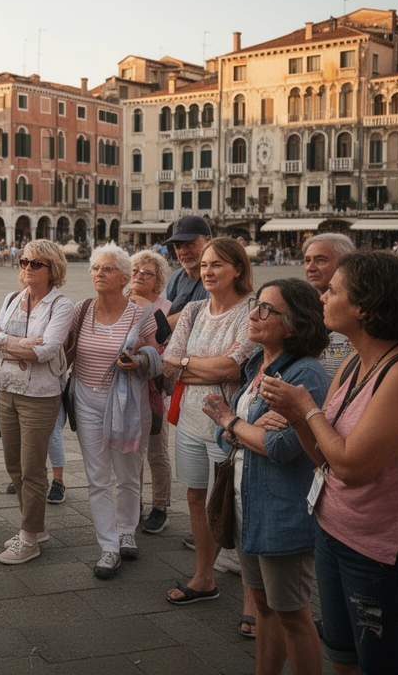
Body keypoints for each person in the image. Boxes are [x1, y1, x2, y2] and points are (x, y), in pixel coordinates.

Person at [262, 251, 398, 674]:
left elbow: (352, 468)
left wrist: (305, 407)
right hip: (333, 530)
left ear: (363, 307)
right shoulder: (354, 362)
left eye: (333, 291)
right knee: (341, 653)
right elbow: (323, 456)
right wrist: (297, 416)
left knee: (381, 663)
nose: (322, 296)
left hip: (380, 551)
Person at [202, 279, 330, 675]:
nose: (253, 314)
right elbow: (233, 440)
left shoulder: (305, 374)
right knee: (262, 609)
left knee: (292, 613)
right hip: (248, 504)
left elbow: (281, 447)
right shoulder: (259, 366)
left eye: (265, 309)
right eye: (255, 305)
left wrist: (230, 419)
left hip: (282, 511)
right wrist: (242, 428)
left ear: (292, 324)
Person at [163, 237, 257, 605]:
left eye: (217, 264)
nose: (207, 271)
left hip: (229, 425)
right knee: (195, 497)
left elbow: (234, 366)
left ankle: (253, 599)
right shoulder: (193, 310)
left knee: (236, 504)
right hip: (189, 419)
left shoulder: (252, 311)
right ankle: (204, 577)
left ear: (238, 269)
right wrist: (199, 369)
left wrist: (188, 365)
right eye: (204, 265)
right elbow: (170, 365)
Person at [68, 244, 161, 579]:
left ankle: (126, 531)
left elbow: (156, 352)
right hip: (86, 399)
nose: (99, 274)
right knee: (97, 476)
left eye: (107, 269)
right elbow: (66, 351)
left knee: (127, 472)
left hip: (128, 403)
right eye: (95, 268)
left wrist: (140, 359)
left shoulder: (141, 313)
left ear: (124, 277)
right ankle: (108, 546)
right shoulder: (81, 310)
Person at [0, 239, 76, 564]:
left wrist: (5, 342)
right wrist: (17, 342)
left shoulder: (61, 305)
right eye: (24, 262)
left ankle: (29, 539)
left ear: (52, 268)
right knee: (13, 465)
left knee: (32, 468)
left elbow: (46, 350)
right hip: (6, 389)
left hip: (40, 396)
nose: (27, 267)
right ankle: (34, 527)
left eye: (35, 263)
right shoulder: (13, 298)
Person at [128, 249, 173, 535]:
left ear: (158, 281)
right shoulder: (121, 303)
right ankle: (135, 503)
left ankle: (160, 506)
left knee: (157, 452)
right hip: (128, 390)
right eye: (135, 271)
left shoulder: (165, 308)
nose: (140, 276)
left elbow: (163, 345)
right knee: (132, 451)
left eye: (147, 273)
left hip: (154, 390)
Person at [301, 233, 356, 378]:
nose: (310, 268)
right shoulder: (303, 311)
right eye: (307, 261)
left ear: (345, 264)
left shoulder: (357, 314)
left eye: (320, 260)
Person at [163, 215, 213, 328]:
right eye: (178, 246)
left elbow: (209, 316)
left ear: (208, 240)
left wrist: (162, 325)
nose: (183, 252)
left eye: (189, 244)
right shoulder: (175, 277)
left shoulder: (216, 277)